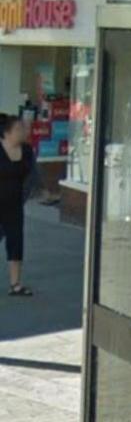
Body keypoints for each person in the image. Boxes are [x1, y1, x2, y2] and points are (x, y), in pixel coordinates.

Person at [0, 115, 35, 296]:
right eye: (18, 129)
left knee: (16, 242)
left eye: (23, 129)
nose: (23, 132)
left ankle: (16, 284)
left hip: (14, 204)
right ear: (6, 133)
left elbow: (32, 175)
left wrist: (30, 194)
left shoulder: (27, 150)